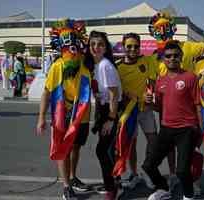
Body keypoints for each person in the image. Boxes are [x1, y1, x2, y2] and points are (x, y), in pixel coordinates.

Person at [36, 19, 91, 200]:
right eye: (67, 42)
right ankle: (66, 186)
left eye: (74, 41)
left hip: (81, 116)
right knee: (63, 149)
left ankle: (73, 177)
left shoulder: (85, 64)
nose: (72, 46)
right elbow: (46, 92)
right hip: (63, 115)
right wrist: (42, 117)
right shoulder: (57, 66)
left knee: (76, 148)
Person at [142, 41, 203, 200]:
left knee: (182, 170)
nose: (172, 58)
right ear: (163, 59)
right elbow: (158, 108)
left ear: (181, 57)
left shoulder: (190, 77)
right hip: (167, 129)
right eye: (168, 56)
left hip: (187, 129)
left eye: (176, 55)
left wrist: (201, 131)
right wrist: (148, 101)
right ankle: (163, 189)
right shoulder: (160, 81)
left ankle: (188, 196)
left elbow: (198, 105)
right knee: (148, 166)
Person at [116, 32, 177, 190]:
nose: (133, 49)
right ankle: (134, 174)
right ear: (124, 47)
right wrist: (125, 95)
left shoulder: (147, 59)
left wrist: (150, 94)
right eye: (129, 46)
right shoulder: (118, 67)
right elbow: (115, 92)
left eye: (136, 46)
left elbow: (163, 56)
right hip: (129, 112)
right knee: (131, 145)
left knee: (154, 142)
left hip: (146, 110)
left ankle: (146, 170)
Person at [84, 30, 122, 200]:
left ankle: (111, 188)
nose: (96, 47)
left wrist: (111, 119)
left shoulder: (105, 65)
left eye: (100, 44)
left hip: (111, 110)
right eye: (92, 44)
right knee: (108, 150)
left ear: (106, 47)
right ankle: (115, 181)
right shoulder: (95, 65)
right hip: (103, 108)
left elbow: (114, 95)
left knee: (102, 151)